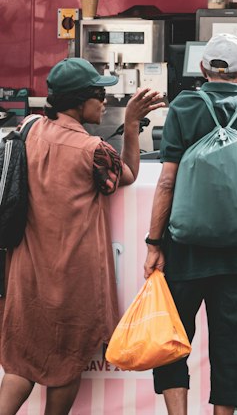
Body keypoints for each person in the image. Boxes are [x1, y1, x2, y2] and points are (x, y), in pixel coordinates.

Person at [0, 59, 164, 415]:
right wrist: (132, 125)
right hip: (72, 275)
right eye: (99, 94)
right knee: (66, 363)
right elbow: (130, 173)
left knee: (20, 363)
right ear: (78, 101)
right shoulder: (93, 151)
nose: (104, 102)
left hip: (26, 271)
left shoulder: (29, 129)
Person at [143, 34, 237, 415]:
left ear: (202, 69)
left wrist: (154, 244)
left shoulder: (184, 107)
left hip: (184, 249)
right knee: (233, 344)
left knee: (172, 337)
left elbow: (167, 180)